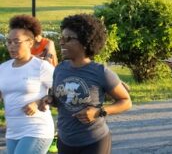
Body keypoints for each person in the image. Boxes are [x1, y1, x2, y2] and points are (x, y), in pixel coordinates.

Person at [38, 14, 132, 154]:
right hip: (65, 140)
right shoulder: (60, 69)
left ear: (85, 42)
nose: (61, 42)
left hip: (94, 141)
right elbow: (61, 99)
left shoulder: (101, 72)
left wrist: (99, 112)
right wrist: (50, 99)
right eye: (61, 38)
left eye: (68, 39)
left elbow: (126, 101)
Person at [0, 15, 55, 154]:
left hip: (37, 129)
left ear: (30, 43)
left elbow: (61, 91)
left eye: (17, 42)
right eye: (9, 42)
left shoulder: (42, 66)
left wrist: (38, 102)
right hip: (13, 131)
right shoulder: (3, 68)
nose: (11, 46)